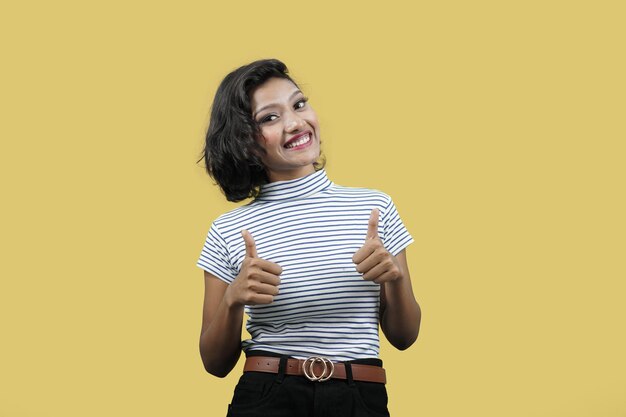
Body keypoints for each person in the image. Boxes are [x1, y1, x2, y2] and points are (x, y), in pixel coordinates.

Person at [196, 58, 421, 417]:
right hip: (266, 396)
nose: (296, 122)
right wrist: (232, 300)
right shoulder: (227, 230)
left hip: (359, 397)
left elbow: (405, 337)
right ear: (245, 142)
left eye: (298, 104)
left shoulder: (375, 208)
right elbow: (214, 362)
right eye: (270, 117)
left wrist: (392, 278)